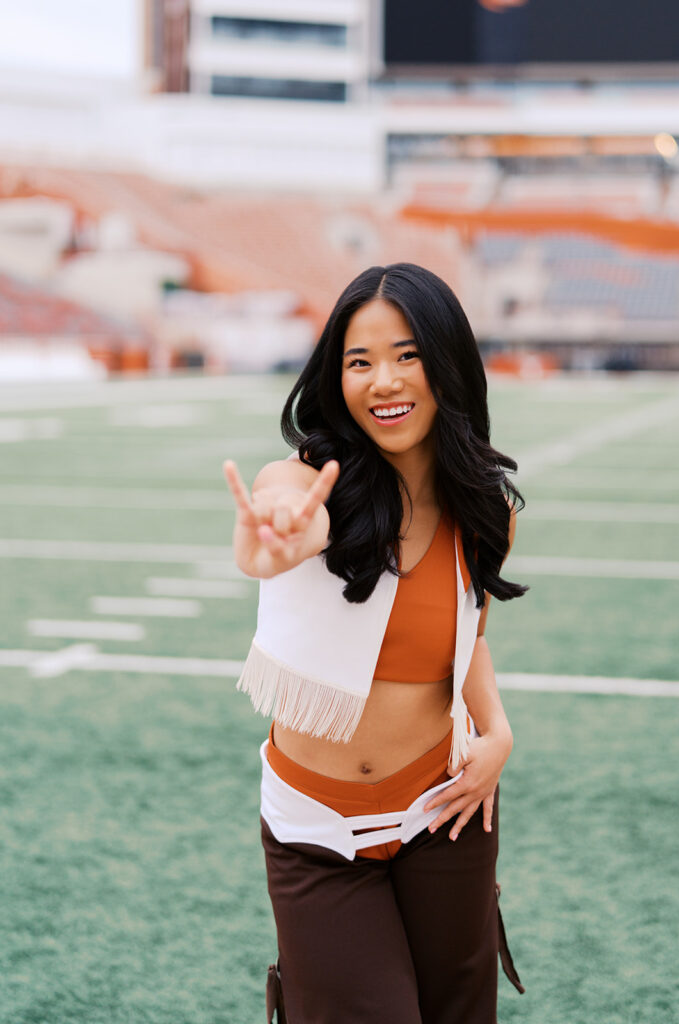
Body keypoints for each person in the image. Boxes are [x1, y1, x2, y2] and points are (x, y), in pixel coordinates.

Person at [224, 263, 527, 1024]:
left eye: (407, 355)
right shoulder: (303, 483)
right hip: (317, 831)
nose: (383, 381)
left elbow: (467, 637)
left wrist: (498, 733)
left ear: (446, 362)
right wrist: (276, 537)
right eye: (359, 362)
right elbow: (288, 518)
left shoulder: (483, 507)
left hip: (445, 811)